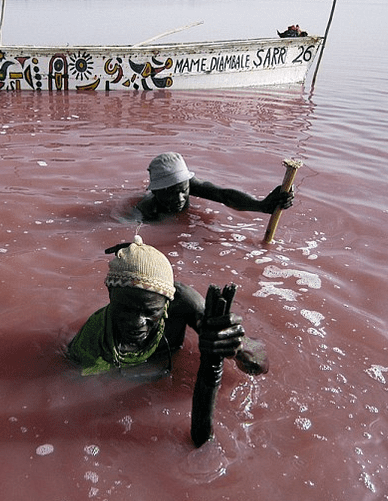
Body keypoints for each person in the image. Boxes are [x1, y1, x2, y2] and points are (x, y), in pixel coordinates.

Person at [66, 235, 267, 378]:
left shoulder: (182, 302)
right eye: (126, 309)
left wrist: (240, 348)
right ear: (110, 295)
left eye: (150, 312)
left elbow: (260, 360)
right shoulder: (91, 342)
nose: (137, 323)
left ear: (168, 303)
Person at [135, 152, 294, 221]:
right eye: (170, 193)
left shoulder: (190, 184)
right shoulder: (148, 209)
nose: (180, 198)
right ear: (155, 192)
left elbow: (225, 196)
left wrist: (262, 206)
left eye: (183, 190)